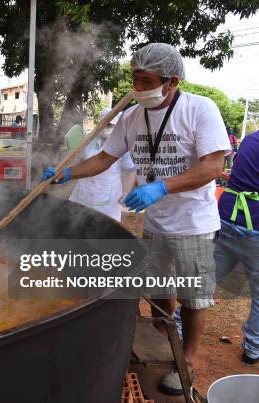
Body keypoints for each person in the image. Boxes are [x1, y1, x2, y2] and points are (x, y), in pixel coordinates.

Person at [42, 43, 231, 395]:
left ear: (172, 81)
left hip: (195, 222)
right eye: (135, 79)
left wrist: (161, 187)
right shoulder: (131, 118)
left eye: (147, 81)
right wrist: (67, 173)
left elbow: (213, 166)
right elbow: (103, 159)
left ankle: (186, 360)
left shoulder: (198, 109)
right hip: (157, 223)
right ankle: (164, 342)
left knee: (194, 297)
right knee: (160, 293)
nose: (138, 88)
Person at [213, 130, 259, 365]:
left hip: (228, 219)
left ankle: (178, 325)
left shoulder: (251, 138)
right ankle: (252, 349)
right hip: (256, 225)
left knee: (209, 278)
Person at [68, 108, 136, 221]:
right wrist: (65, 172)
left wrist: (126, 192)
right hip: (83, 191)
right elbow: (79, 161)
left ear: (117, 127)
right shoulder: (89, 140)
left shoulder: (123, 145)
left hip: (108, 196)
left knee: (103, 229)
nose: (107, 128)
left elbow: (131, 170)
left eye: (111, 125)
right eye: (105, 124)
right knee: (78, 224)